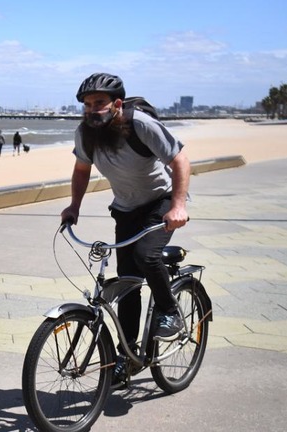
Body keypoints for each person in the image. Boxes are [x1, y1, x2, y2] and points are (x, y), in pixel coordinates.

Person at [59, 72, 191, 381]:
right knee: (128, 285)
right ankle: (128, 356)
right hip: (126, 209)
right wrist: (73, 207)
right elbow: (81, 171)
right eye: (88, 104)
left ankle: (170, 311)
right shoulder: (86, 133)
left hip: (161, 202)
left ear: (116, 103)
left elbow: (181, 160)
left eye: (100, 103)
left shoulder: (141, 125)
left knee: (147, 256)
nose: (93, 109)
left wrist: (179, 206)